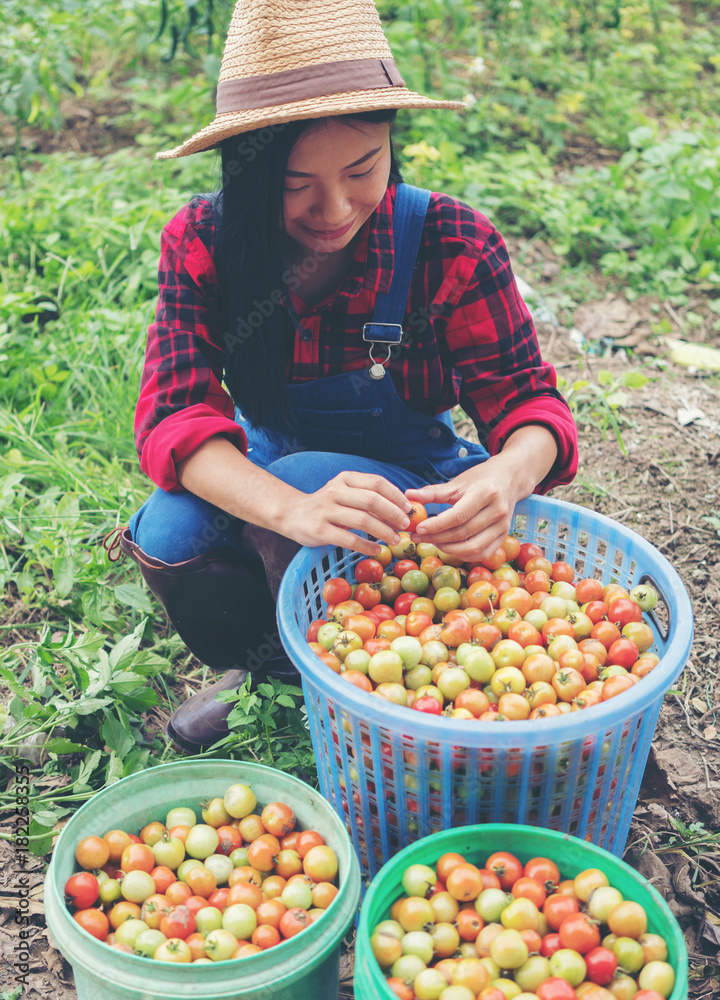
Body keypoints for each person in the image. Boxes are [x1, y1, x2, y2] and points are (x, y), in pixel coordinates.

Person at [111, 0, 578, 751]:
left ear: (392, 141)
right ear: (249, 172)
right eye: (294, 184)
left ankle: (378, 676)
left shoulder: (450, 244)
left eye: (362, 169)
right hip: (281, 473)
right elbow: (175, 416)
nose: (334, 209)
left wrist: (508, 475)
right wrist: (289, 509)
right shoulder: (204, 243)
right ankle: (278, 673)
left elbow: (529, 402)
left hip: (413, 489)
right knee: (173, 528)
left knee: (306, 473)